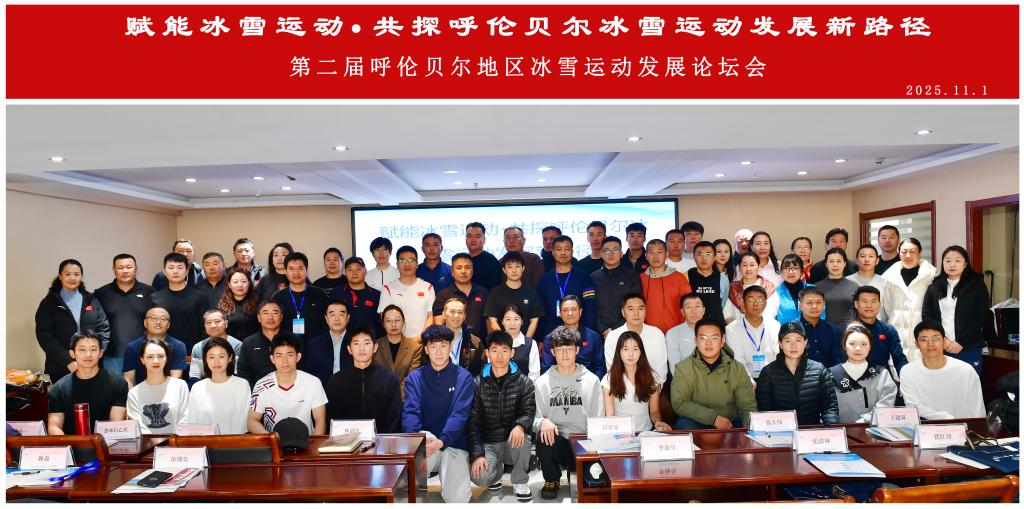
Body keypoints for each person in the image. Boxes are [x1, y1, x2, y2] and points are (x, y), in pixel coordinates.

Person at [402, 325, 475, 503]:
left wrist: (443, 440)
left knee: (458, 500)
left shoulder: (463, 377)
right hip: (425, 442)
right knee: (405, 491)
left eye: (443, 346)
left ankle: (448, 477)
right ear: (426, 350)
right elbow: (410, 412)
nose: (439, 352)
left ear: (451, 347)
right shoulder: (415, 377)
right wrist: (418, 440)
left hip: (453, 443)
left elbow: (460, 414)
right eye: (433, 347)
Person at [533, 326, 603, 500]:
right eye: (560, 350)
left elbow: (598, 419)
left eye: (569, 349)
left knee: (592, 486)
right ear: (553, 352)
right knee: (543, 435)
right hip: (556, 440)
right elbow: (535, 419)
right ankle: (551, 479)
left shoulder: (592, 380)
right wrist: (543, 422)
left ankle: (577, 470)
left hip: (583, 441)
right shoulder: (542, 383)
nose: (565, 354)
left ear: (577, 350)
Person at [468, 331, 536, 502]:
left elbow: (528, 412)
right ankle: (497, 471)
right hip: (489, 443)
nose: (499, 356)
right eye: (494, 350)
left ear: (512, 353)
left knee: (523, 437)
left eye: (504, 350)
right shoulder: (476, 384)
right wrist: (478, 454)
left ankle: (520, 481)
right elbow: (473, 422)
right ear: (487, 353)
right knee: (479, 477)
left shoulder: (524, 382)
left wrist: (520, 425)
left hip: (512, 441)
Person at [671, 318, 756, 430]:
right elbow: (679, 403)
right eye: (703, 338)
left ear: (722, 341)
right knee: (684, 426)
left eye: (714, 338)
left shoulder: (737, 368)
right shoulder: (683, 368)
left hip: (730, 422)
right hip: (697, 421)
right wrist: (714, 418)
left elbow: (747, 405)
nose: (708, 343)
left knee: (749, 424)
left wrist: (750, 431)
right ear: (696, 341)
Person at [36, 259, 111, 381]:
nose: (72, 278)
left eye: (76, 274)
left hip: (92, 365)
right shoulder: (49, 303)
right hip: (61, 367)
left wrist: (97, 352)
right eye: (67, 274)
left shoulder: (91, 300)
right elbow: (45, 337)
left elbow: (104, 328)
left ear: (81, 276)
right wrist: (68, 361)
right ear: (60, 276)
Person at [755, 322, 840, 425]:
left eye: (798, 340)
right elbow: (764, 410)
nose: (793, 346)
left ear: (805, 342)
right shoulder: (768, 373)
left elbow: (830, 407)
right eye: (788, 341)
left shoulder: (819, 370)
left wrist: (831, 429)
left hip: (811, 431)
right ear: (780, 344)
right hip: (780, 431)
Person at [922, 245, 989, 374]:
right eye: (947, 261)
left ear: (965, 264)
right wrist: (942, 339)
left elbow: (980, 316)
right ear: (942, 263)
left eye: (957, 260)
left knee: (967, 384)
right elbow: (927, 315)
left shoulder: (977, 285)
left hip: (968, 347)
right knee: (942, 383)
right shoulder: (934, 286)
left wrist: (961, 342)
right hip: (941, 347)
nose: (952, 264)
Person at [47, 331, 129, 435]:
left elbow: (115, 424)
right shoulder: (58, 389)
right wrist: (68, 444)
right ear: (72, 353)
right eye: (82, 350)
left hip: (107, 442)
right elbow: (54, 426)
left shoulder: (118, 383)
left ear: (100, 353)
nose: (88, 354)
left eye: (93, 349)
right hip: (71, 443)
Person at [900, 321, 985, 419]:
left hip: (963, 427)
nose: (930, 344)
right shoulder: (908, 372)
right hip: (926, 427)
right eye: (924, 339)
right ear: (917, 344)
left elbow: (978, 411)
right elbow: (913, 406)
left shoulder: (966, 371)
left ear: (944, 341)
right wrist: (949, 419)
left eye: (935, 338)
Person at [325, 325, 402, 433]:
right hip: (345, 440)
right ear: (349, 349)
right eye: (356, 344)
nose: (361, 348)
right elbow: (332, 418)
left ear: (375, 347)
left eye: (366, 343)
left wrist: (383, 441)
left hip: (381, 441)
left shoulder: (390, 379)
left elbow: (395, 418)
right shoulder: (336, 381)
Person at [248, 333, 328, 434]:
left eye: (290, 355)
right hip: (272, 441)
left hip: (306, 440)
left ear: (298, 357)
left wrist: (314, 443)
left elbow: (320, 421)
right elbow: (252, 421)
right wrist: (270, 438)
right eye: (279, 356)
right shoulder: (261, 385)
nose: (284, 360)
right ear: (272, 359)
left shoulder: (313, 382)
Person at [94, 253, 154, 375]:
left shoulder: (149, 292)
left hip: (144, 354)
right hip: (112, 356)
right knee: (116, 387)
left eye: (129, 267)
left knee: (144, 387)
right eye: (120, 267)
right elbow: (96, 324)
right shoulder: (101, 293)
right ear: (114, 270)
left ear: (136, 269)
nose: (125, 271)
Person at [880, 238, 939, 361]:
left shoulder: (930, 276)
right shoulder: (890, 277)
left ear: (919, 253)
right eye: (904, 252)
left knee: (923, 367)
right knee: (898, 367)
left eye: (912, 252)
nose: (908, 255)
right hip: (897, 331)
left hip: (924, 332)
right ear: (899, 253)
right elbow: (887, 306)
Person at [602, 331, 671, 432]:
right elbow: (610, 415)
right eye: (625, 349)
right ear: (619, 352)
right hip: (619, 433)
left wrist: (658, 421)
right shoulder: (609, 378)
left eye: (635, 349)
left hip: (645, 431)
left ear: (641, 352)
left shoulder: (652, 377)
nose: (630, 354)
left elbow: (654, 411)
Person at [830, 323, 898, 423]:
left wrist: (862, 422)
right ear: (844, 346)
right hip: (841, 430)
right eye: (852, 344)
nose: (858, 348)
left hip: (875, 430)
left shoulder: (882, 374)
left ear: (870, 346)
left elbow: (886, 406)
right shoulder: (831, 374)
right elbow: (827, 409)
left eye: (864, 344)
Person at [185, 337, 251, 434]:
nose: (216, 362)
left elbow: (244, 422)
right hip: (204, 441)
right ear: (205, 359)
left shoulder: (242, 385)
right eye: (211, 357)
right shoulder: (197, 388)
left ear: (230, 358)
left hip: (235, 441)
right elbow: (192, 421)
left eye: (221, 356)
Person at [146, 252, 210, 352]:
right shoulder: (155, 298)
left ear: (187, 271)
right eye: (171, 267)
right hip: (161, 351)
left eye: (180, 267)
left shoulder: (199, 297)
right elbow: (149, 327)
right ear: (164, 272)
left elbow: (205, 327)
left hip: (191, 351)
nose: (175, 271)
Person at [537, 235, 597, 339]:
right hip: (551, 334)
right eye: (559, 249)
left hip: (579, 333)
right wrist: (540, 338)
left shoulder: (584, 277)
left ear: (572, 252)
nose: (563, 253)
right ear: (553, 252)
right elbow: (541, 311)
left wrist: (587, 334)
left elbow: (590, 308)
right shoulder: (545, 280)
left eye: (567, 249)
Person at [126, 338, 190, 434]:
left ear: (166, 358)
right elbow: (137, 426)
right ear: (142, 360)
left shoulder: (180, 386)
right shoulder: (134, 393)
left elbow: (185, 419)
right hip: (146, 443)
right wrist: (153, 441)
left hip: (176, 442)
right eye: (150, 357)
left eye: (160, 356)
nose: (156, 361)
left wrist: (174, 441)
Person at [605, 293, 669, 381]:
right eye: (631, 309)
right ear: (623, 312)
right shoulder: (613, 337)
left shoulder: (656, 334)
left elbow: (660, 371)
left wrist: (651, 388)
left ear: (646, 311)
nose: (636, 313)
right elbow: (613, 370)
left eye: (640, 308)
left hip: (651, 386)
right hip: (622, 386)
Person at [725, 285, 781, 380]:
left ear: (765, 304)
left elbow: (778, 356)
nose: (755, 303)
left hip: (772, 378)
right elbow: (738, 360)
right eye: (750, 300)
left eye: (759, 300)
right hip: (744, 379)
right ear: (743, 303)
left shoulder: (775, 326)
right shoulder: (732, 329)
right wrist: (750, 383)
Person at [483, 251, 545, 337]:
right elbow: (493, 321)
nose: (514, 270)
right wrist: (505, 341)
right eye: (509, 267)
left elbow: (534, 321)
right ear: (504, 270)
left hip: (525, 341)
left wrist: (526, 342)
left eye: (517, 266)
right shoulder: (495, 293)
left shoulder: (532, 293)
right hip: (503, 343)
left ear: (523, 268)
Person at [592, 236, 643, 338]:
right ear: (601, 254)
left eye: (615, 250)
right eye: (607, 250)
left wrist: (617, 330)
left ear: (621, 254)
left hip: (626, 331)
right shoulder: (592, 278)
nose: (611, 254)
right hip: (600, 334)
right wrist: (603, 330)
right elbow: (590, 307)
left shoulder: (632, 276)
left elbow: (636, 304)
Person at [378, 245, 435, 337]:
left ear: (417, 264)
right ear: (397, 264)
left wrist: (418, 339)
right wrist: (402, 341)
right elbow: (385, 318)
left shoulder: (428, 287)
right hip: (397, 341)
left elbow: (430, 316)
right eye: (402, 260)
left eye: (411, 260)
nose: (407, 264)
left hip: (422, 341)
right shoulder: (388, 289)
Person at [541, 299, 606, 379]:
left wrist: (592, 383)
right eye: (565, 310)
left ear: (580, 312)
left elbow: (600, 367)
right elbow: (547, 368)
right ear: (560, 313)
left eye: (574, 309)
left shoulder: (594, 337)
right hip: (559, 382)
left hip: (588, 382)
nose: (570, 313)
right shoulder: (550, 338)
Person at [122, 307, 187, 387]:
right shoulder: (132, 347)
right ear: (145, 323)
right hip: (141, 391)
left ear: (168, 325)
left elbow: (176, 377)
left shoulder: (178, 346)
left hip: (169, 390)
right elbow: (129, 379)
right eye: (153, 318)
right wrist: (132, 394)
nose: (158, 322)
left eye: (163, 319)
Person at [272, 252, 329, 341]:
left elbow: (327, 323)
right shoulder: (278, 297)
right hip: (287, 346)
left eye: (300, 268)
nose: (296, 273)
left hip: (316, 345)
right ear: (286, 272)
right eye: (291, 269)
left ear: (306, 270)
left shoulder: (319, 294)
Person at [852, 286, 909, 375]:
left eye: (873, 301)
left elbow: (899, 359)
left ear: (879, 304)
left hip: (883, 380)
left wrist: (907, 377)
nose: (869, 305)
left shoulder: (888, 330)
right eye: (864, 301)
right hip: (855, 380)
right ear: (856, 304)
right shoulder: (847, 331)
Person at [640, 239, 693, 334]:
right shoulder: (640, 279)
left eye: (659, 252)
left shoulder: (679, 278)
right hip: (647, 334)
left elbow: (688, 305)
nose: (655, 256)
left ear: (666, 254)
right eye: (651, 252)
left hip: (675, 333)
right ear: (646, 256)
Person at [432, 252, 488, 336]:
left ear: (473, 270)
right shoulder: (443, 295)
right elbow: (438, 324)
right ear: (452, 271)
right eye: (459, 268)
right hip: (453, 342)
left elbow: (489, 321)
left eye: (467, 267)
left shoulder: (484, 293)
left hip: (480, 343)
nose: (463, 271)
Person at [374, 304, 423, 396]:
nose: (393, 324)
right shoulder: (375, 346)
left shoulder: (415, 348)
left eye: (397, 320)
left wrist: (396, 396)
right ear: (383, 324)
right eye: (388, 321)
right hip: (379, 397)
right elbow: (374, 376)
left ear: (403, 322)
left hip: (405, 398)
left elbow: (411, 378)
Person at [305, 300, 353, 388]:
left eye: (341, 314)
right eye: (332, 314)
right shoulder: (314, 344)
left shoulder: (356, 342)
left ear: (348, 318)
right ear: (326, 319)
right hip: (322, 391)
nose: (337, 319)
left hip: (351, 390)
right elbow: (310, 374)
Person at [331, 257, 383, 337]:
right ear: (345, 273)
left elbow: (382, 322)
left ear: (365, 271)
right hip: (343, 341)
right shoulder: (336, 293)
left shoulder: (376, 295)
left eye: (358, 269)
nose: (354, 273)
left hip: (369, 341)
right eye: (350, 270)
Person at [188, 309, 243, 384]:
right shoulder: (198, 347)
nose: (213, 325)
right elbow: (194, 376)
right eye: (208, 322)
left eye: (217, 321)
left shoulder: (238, 346)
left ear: (226, 323)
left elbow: (237, 374)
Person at [237, 300, 284, 387]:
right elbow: (243, 372)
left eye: (275, 313)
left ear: (281, 317)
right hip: (258, 392)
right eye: (265, 313)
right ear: (259, 317)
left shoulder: (292, 341)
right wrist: (255, 391)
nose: (270, 317)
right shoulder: (249, 343)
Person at [725, 253, 780, 322]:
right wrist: (736, 327)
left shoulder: (768, 287)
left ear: (758, 267)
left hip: (764, 327)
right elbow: (728, 314)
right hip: (737, 327)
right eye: (744, 265)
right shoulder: (733, 288)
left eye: (752, 265)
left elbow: (771, 313)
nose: (748, 269)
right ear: (739, 268)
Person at [797, 288, 844, 368]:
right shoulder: (793, 330)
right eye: (809, 303)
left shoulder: (833, 330)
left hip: (829, 374)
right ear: (800, 305)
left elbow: (837, 361)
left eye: (818, 302)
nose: (814, 306)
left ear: (824, 304)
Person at [441, 296, 486, 376]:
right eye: (452, 311)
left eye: (460, 312)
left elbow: (481, 370)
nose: (456, 315)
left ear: (464, 316)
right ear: (444, 315)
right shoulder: (433, 340)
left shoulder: (475, 342)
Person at [816, 247, 860, 327]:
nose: (835, 265)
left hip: (848, 331)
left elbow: (860, 313)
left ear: (844, 264)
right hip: (824, 330)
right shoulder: (816, 287)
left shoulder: (854, 287)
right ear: (826, 264)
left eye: (839, 261)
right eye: (831, 261)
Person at [686, 241, 728, 324]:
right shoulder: (686, 277)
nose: (704, 258)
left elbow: (723, 303)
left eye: (708, 254)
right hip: (693, 325)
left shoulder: (723, 278)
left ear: (714, 257)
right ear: (694, 257)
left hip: (716, 325)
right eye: (699, 254)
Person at [498, 304, 541, 381]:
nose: (512, 323)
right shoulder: (496, 342)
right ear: (502, 322)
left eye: (516, 319)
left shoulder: (531, 344)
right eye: (508, 319)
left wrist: (525, 387)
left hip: (525, 387)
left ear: (522, 321)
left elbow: (535, 374)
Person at [218, 267, 260, 340]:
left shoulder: (258, 304)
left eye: (243, 281)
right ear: (229, 284)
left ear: (249, 283)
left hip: (253, 344)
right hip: (230, 344)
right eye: (235, 282)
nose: (240, 285)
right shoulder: (222, 306)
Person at [666, 293, 705, 372]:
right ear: (682, 311)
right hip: (684, 377)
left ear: (703, 310)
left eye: (697, 306)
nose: (693, 311)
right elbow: (675, 366)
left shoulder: (715, 331)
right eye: (688, 307)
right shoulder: (673, 333)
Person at [776, 254, 815, 325]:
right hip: (784, 331)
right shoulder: (775, 293)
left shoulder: (813, 290)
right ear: (781, 272)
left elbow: (821, 314)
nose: (790, 272)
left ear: (802, 271)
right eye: (786, 268)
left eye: (795, 268)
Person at [466, 222, 503, 291]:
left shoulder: (491, 261)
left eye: (477, 236)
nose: (473, 240)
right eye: (469, 236)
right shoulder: (463, 260)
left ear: (484, 239)